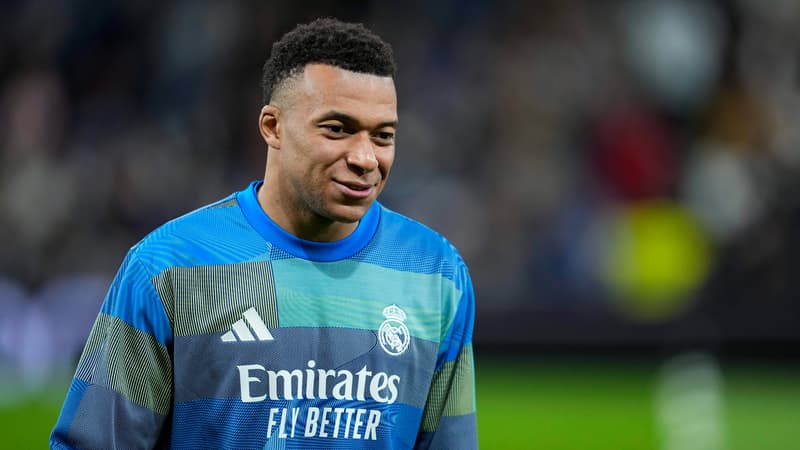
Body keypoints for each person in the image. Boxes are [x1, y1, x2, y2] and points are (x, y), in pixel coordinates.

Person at [50, 17, 477, 449]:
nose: (366, 158)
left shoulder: (436, 274)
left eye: (383, 135)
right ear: (273, 127)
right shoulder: (168, 267)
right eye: (337, 129)